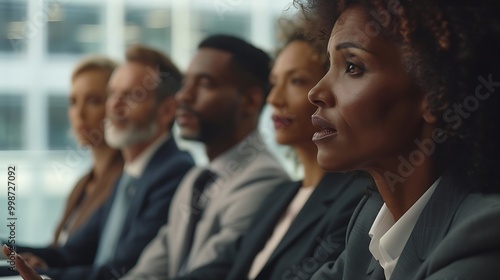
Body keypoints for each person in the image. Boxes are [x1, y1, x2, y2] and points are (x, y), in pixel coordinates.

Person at [289, 0, 500, 279]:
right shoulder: (373, 217)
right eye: (330, 65)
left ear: (434, 92)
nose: (316, 92)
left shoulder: (484, 232)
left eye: (352, 67)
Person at [177, 28, 372, 280]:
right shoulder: (280, 197)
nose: (274, 99)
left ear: (329, 88)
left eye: (296, 81)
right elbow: (218, 269)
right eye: (274, 83)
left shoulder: (357, 199)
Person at [6, 45, 195, 280]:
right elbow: (72, 254)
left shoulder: (174, 173)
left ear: (167, 110)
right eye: (113, 94)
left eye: (131, 96)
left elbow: (120, 271)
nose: (114, 106)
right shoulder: (131, 174)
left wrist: (44, 274)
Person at [120, 34, 290, 280]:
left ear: (250, 101)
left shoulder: (264, 179)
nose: (183, 97)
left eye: (205, 83)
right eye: (186, 83)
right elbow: (148, 271)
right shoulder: (195, 178)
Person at [52, 56, 123, 247]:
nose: (79, 113)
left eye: (93, 101)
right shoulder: (82, 184)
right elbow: (54, 252)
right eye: (73, 102)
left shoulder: (126, 180)